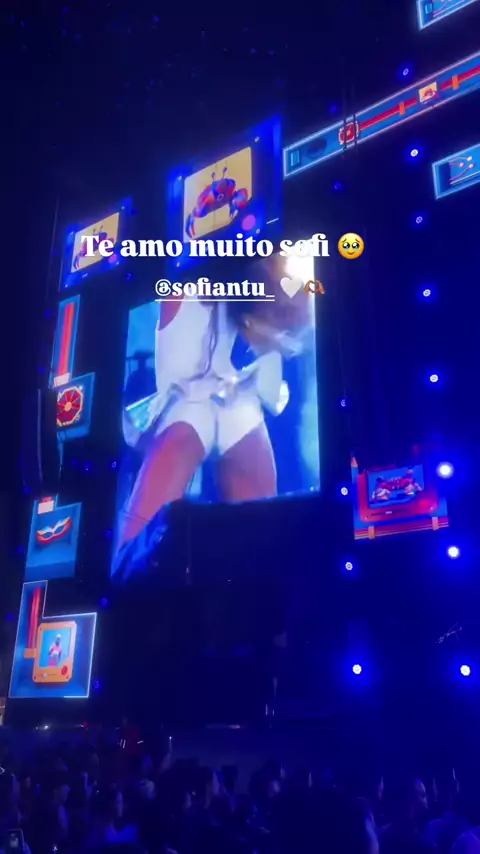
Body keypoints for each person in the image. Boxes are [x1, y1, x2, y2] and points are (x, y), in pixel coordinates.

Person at [114, 271, 312, 573]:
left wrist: (277, 307)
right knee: (135, 547)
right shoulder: (185, 276)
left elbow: (294, 318)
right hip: (187, 402)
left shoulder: (259, 277)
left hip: (238, 399)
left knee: (262, 541)